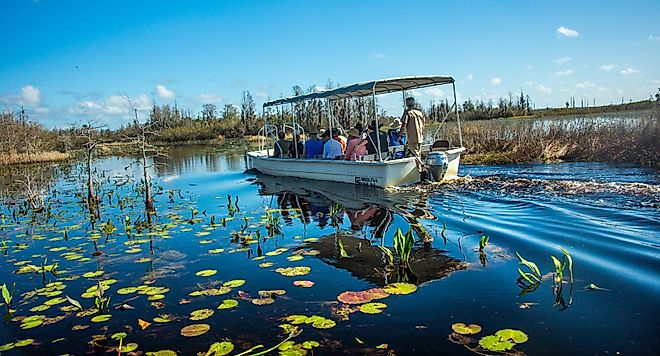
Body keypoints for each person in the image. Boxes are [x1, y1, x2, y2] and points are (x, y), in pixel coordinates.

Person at [399, 97, 426, 171]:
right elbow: (424, 124)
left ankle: (420, 170)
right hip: (420, 137)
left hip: (412, 137)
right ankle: (420, 169)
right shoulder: (419, 112)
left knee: (415, 155)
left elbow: (404, 124)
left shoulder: (408, 112)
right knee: (418, 154)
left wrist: (400, 135)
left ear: (407, 103)